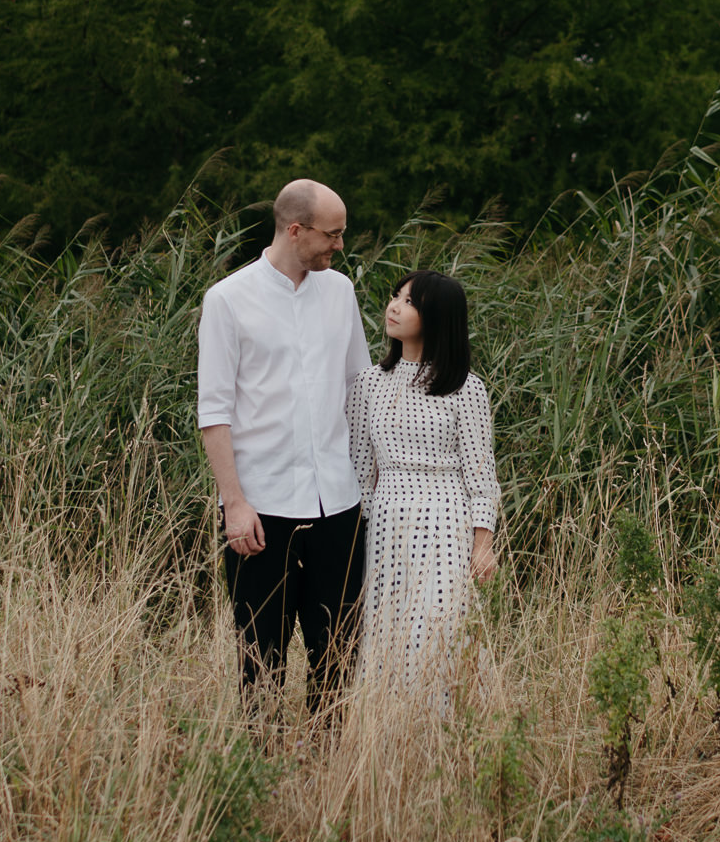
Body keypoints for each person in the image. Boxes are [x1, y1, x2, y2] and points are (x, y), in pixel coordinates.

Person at [196, 179, 371, 718]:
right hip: (261, 511)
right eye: (332, 235)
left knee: (339, 651)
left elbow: (360, 388)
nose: (340, 246)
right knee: (261, 655)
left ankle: (326, 768)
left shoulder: (340, 292)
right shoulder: (227, 300)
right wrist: (234, 503)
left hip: (338, 505)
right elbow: (214, 411)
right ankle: (263, 773)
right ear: (295, 230)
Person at [347, 269, 499, 691]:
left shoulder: (466, 388)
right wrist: (353, 535)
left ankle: (441, 731)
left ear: (438, 316)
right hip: (385, 517)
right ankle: (388, 729)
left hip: (447, 517)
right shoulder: (368, 383)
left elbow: (481, 473)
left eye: (409, 301)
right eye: (395, 295)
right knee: (386, 623)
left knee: (438, 626)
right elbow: (360, 468)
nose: (394, 306)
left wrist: (482, 544)